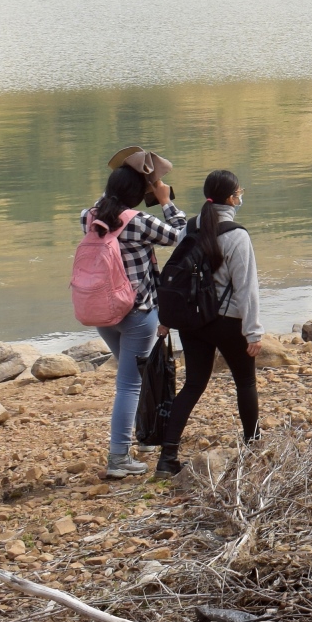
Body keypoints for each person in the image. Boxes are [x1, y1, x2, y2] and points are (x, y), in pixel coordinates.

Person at [81, 149, 187, 480]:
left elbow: (105, 202)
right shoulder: (141, 222)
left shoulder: (88, 217)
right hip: (138, 313)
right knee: (129, 384)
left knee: (135, 380)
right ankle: (118, 457)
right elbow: (182, 236)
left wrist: (123, 181)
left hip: (102, 313)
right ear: (139, 194)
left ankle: (143, 438)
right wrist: (166, 200)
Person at [156, 169, 263, 478]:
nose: (241, 196)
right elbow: (246, 287)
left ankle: (167, 458)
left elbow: (176, 258)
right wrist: (253, 331)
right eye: (239, 192)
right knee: (245, 382)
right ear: (231, 199)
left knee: (192, 385)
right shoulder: (237, 235)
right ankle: (253, 446)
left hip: (193, 320)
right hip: (227, 320)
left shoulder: (190, 228)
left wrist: (165, 320)